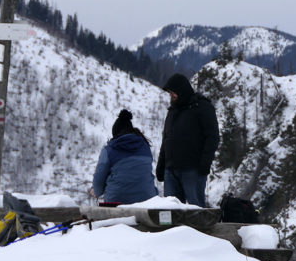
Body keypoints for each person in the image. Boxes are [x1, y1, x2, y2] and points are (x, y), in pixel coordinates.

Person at [155, 73, 220, 207]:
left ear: (182, 91)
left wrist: (204, 164)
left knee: (196, 211)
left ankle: (200, 229)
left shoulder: (202, 107)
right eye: (170, 93)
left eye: (173, 93)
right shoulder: (172, 111)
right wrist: (161, 165)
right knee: (170, 212)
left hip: (193, 170)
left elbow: (212, 137)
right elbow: (166, 139)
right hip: (171, 169)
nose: (171, 96)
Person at [90, 109, 158, 204]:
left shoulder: (109, 150)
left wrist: (96, 191)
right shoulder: (145, 147)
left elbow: (99, 180)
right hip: (148, 200)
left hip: (116, 201)